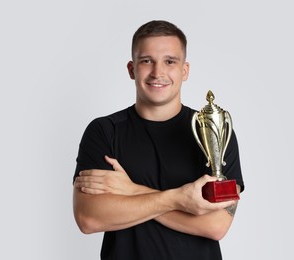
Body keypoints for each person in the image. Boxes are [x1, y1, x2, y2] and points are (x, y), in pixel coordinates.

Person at [73, 20, 244, 260]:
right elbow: (89, 218)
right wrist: (177, 199)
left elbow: (216, 225)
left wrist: (131, 191)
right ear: (132, 69)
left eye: (170, 61)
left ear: (184, 70)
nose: (157, 72)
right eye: (146, 61)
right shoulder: (103, 131)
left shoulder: (215, 132)